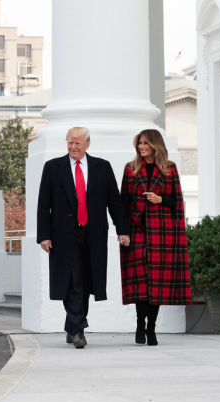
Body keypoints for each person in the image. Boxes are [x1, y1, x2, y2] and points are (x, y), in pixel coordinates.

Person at [37, 127, 130, 348]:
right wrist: (44, 236)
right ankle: (79, 330)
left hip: (93, 234)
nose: (73, 147)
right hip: (64, 235)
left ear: (88, 144)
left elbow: (114, 202)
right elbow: (43, 204)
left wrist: (123, 230)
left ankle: (71, 328)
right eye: (70, 142)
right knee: (72, 281)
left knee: (87, 282)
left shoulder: (102, 167)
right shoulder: (53, 167)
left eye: (78, 143)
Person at [120, 129, 192, 346]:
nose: (142, 147)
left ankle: (151, 328)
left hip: (162, 232)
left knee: (157, 284)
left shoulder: (169, 169)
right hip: (137, 230)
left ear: (155, 145)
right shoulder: (130, 168)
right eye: (139, 143)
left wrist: (160, 199)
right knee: (141, 283)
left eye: (145, 143)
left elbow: (177, 202)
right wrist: (122, 232)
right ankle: (140, 323)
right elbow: (123, 202)